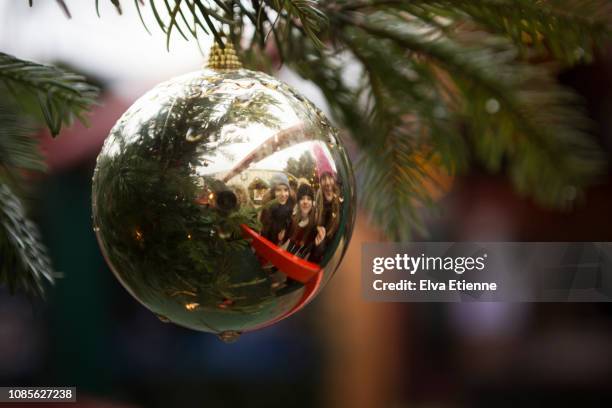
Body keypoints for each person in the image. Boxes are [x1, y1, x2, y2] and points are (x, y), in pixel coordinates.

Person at [285, 184, 325, 259]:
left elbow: (313, 241)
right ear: (298, 201)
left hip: (301, 245)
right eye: (302, 198)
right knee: (287, 253)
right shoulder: (294, 215)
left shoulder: (315, 219)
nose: (305, 202)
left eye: (309, 199)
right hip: (293, 240)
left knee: (293, 257)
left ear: (312, 201)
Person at [310, 171, 342, 263]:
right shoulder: (318, 200)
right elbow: (312, 222)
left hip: (327, 249)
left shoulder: (341, 203)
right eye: (324, 179)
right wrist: (317, 227)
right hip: (314, 244)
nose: (327, 183)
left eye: (329, 178)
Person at [259, 173, 294, 245]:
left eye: (286, 190)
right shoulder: (267, 210)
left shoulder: (290, 209)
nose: (283, 194)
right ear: (272, 192)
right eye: (278, 190)